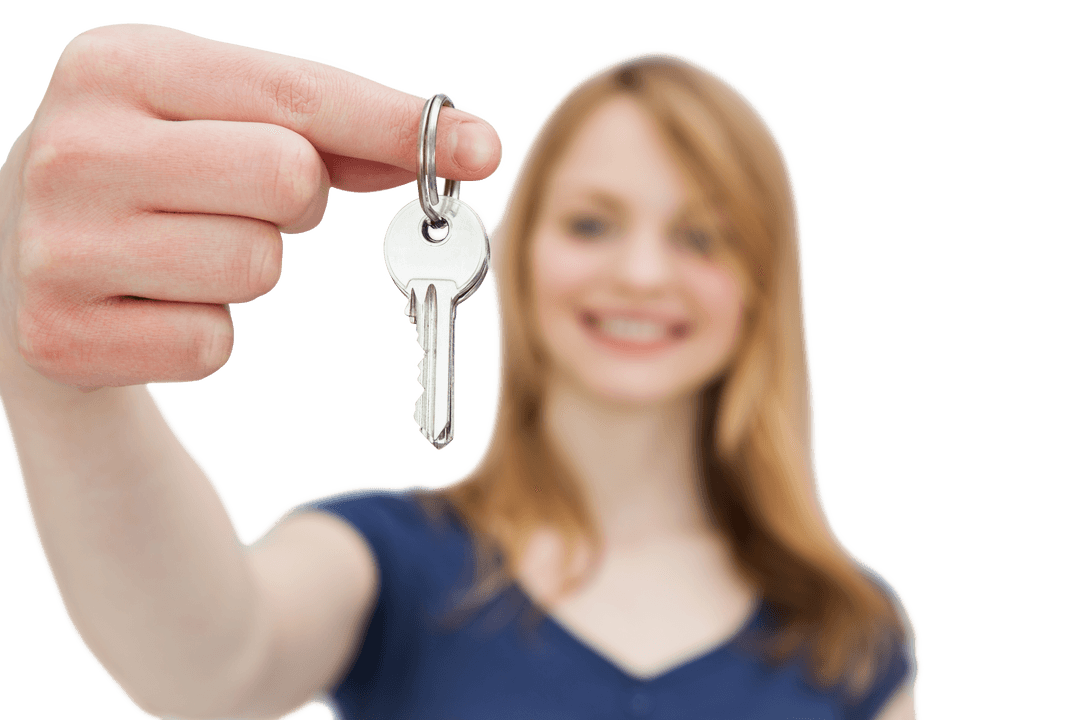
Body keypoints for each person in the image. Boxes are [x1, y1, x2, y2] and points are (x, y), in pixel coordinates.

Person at [0, 25, 920, 720]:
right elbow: (210, 663)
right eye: (592, 223)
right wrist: (56, 373)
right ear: (509, 258)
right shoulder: (392, 561)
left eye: (701, 235)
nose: (642, 273)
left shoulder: (852, 627)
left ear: (762, 286)